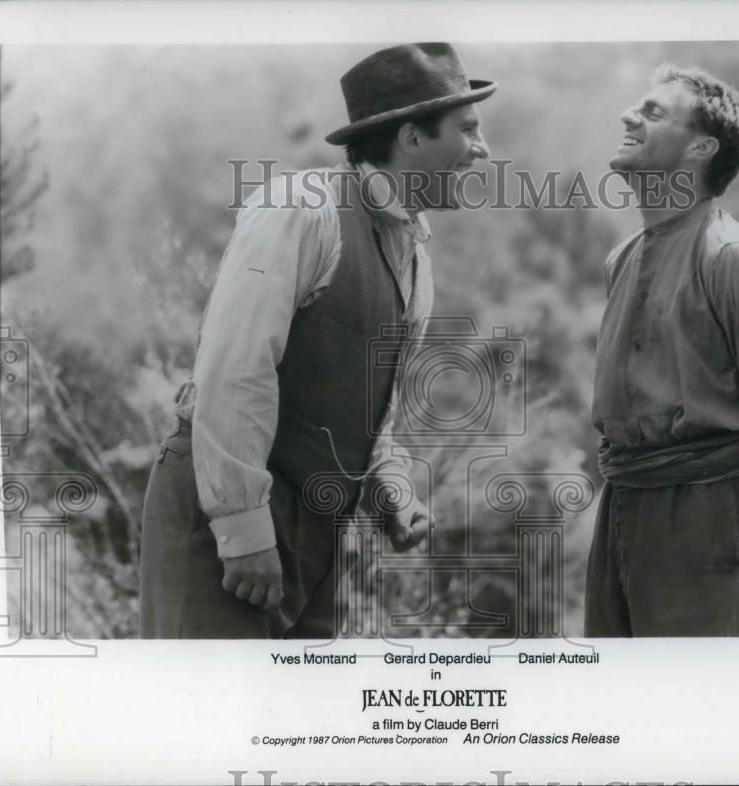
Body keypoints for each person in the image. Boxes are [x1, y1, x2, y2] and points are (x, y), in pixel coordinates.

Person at [139, 43, 495, 638]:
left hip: (319, 533)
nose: (482, 149)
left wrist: (391, 488)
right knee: (202, 721)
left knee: (290, 725)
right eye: (468, 129)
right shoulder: (300, 211)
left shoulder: (416, 262)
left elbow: (372, 409)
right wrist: (243, 529)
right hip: (225, 511)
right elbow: (234, 371)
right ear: (411, 137)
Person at [585, 64, 739, 637]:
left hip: (710, 514)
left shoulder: (733, 257)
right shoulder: (620, 260)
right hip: (623, 504)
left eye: (653, 112)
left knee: (709, 702)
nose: (629, 115)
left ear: (700, 146)